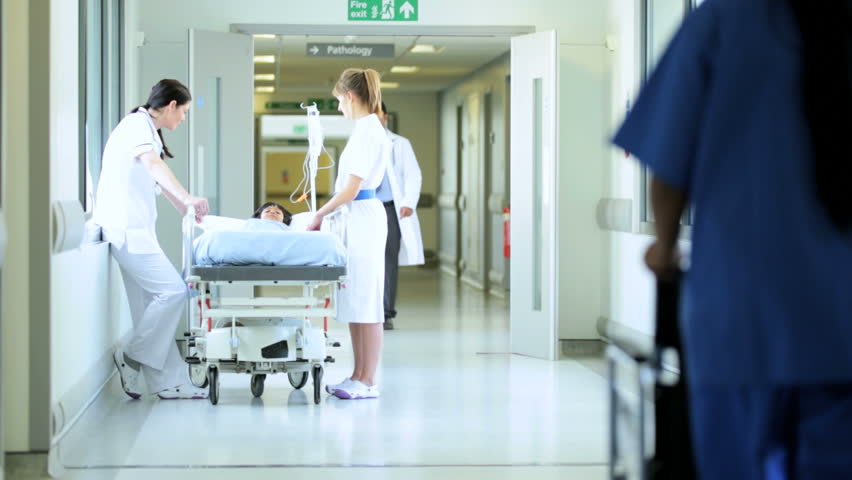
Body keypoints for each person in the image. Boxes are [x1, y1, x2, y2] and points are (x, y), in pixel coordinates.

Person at [613, 0, 852, 478]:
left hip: (742, 314)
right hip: (840, 316)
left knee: (736, 463)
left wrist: (663, 245)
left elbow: (667, 165)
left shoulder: (723, 20)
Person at [94, 79, 211, 400]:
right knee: (173, 293)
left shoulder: (146, 131)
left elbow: (156, 183)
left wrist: (188, 210)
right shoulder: (136, 125)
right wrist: (187, 197)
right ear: (171, 105)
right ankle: (130, 356)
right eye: (184, 112)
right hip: (127, 231)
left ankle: (169, 382)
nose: (183, 119)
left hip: (137, 231)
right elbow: (152, 165)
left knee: (148, 306)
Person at [307, 68, 390, 400]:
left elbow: (351, 190)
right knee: (357, 300)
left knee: (367, 302)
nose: (339, 107)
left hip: (363, 219)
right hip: (360, 219)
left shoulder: (366, 133)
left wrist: (319, 215)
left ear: (351, 97)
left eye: (339, 101)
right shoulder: (367, 130)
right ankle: (357, 375)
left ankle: (368, 380)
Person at [376, 102, 425, 330]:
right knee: (364, 260)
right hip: (366, 209)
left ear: (385, 116)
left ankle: (385, 313)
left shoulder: (399, 143)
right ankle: (367, 310)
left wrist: (408, 203)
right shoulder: (359, 145)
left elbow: (413, 175)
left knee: (388, 261)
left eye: (377, 114)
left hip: (390, 208)